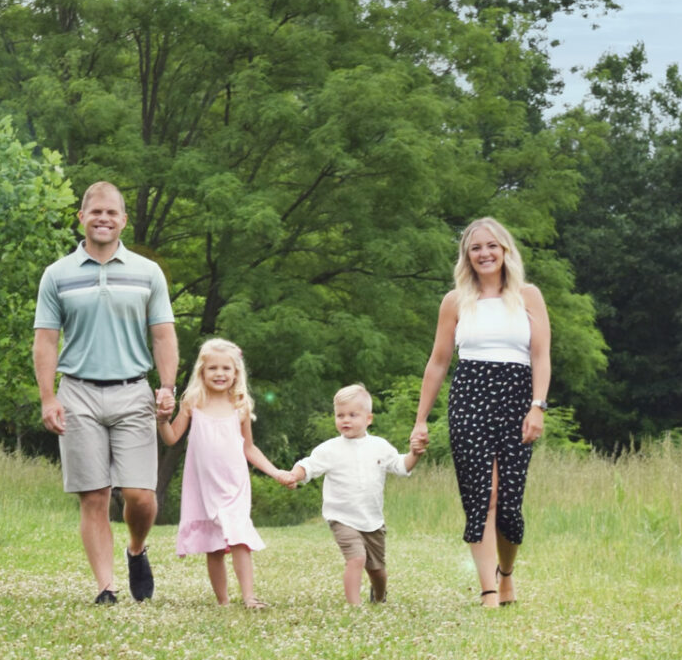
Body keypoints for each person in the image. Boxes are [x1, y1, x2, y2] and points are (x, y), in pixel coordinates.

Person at [33, 182, 179, 605]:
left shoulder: (147, 273)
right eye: (95, 211)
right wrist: (48, 397)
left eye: (112, 213)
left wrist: (167, 387)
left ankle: (136, 548)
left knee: (140, 496)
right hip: (77, 393)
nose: (103, 218)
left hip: (133, 391)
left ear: (123, 221)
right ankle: (106, 588)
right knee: (94, 495)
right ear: (81, 217)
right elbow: (45, 341)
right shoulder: (57, 275)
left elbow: (163, 334)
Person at [410, 218, 553, 608]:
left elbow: (541, 356)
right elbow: (438, 363)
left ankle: (506, 575)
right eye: (476, 248)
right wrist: (421, 419)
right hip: (469, 397)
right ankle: (488, 590)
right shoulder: (455, 301)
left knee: (508, 502)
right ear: (466, 257)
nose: (484, 253)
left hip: (517, 398)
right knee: (481, 495)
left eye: (492, 246)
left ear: (505, 250)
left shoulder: (528, 296)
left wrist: (537, 406)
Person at [158, 338, 288, 608]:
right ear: (202, 372)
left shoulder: (240, 407)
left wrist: (276, 473)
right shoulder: (193, 403)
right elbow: (171, 438)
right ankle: (223, 601)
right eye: (213, 368)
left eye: (226, 368)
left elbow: (249, 448)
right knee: (214, 546)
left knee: (240, 538)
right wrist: (161, 421)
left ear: (236, 373)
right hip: (204, 487)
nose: (220, 374)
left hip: (234, 485)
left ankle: (249, 597)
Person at [288, 383, 426, 604]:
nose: (345, 420)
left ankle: (379, 597)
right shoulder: (330, 449)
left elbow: (402, 466)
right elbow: (309, 465)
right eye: (340, 415)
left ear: (368, 419)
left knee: (377, 569)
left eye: (353, 415)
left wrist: (415, 454)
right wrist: (295, 475)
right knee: (356, 558)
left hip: (372, 519)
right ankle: (354, 607)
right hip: (341, 517)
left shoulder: (379, 446)